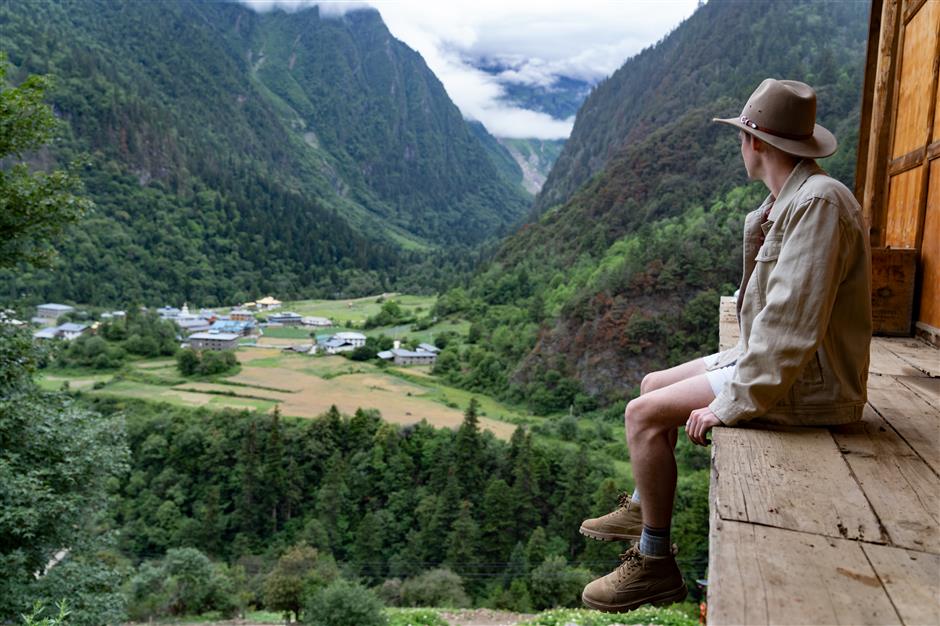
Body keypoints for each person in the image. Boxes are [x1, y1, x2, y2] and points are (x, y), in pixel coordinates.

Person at [578, 78, 872, 613]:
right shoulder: (794, 198)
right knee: (651, 386)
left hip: (810, 382)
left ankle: (654, 561)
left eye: (741, 135)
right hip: (788, 361)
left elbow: (791, 328)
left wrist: (729, 404)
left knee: (642, 415)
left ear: (756, 143)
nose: (740, 145)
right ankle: (644, 504)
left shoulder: (818, 205)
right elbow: (778, 314)